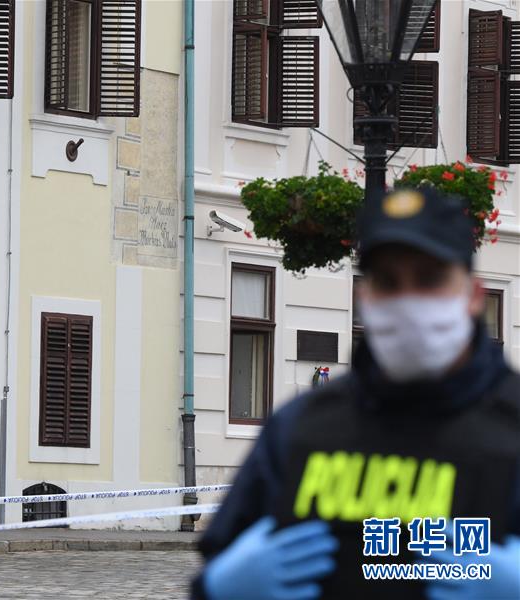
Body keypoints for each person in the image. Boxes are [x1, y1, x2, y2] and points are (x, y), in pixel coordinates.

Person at [193, 187, 520, 599]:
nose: (407, 301)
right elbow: (216, 566)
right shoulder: (300, 427)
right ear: (365, 296)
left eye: (430, 278)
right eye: (387, 282)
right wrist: (218, 588)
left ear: (473, 295)